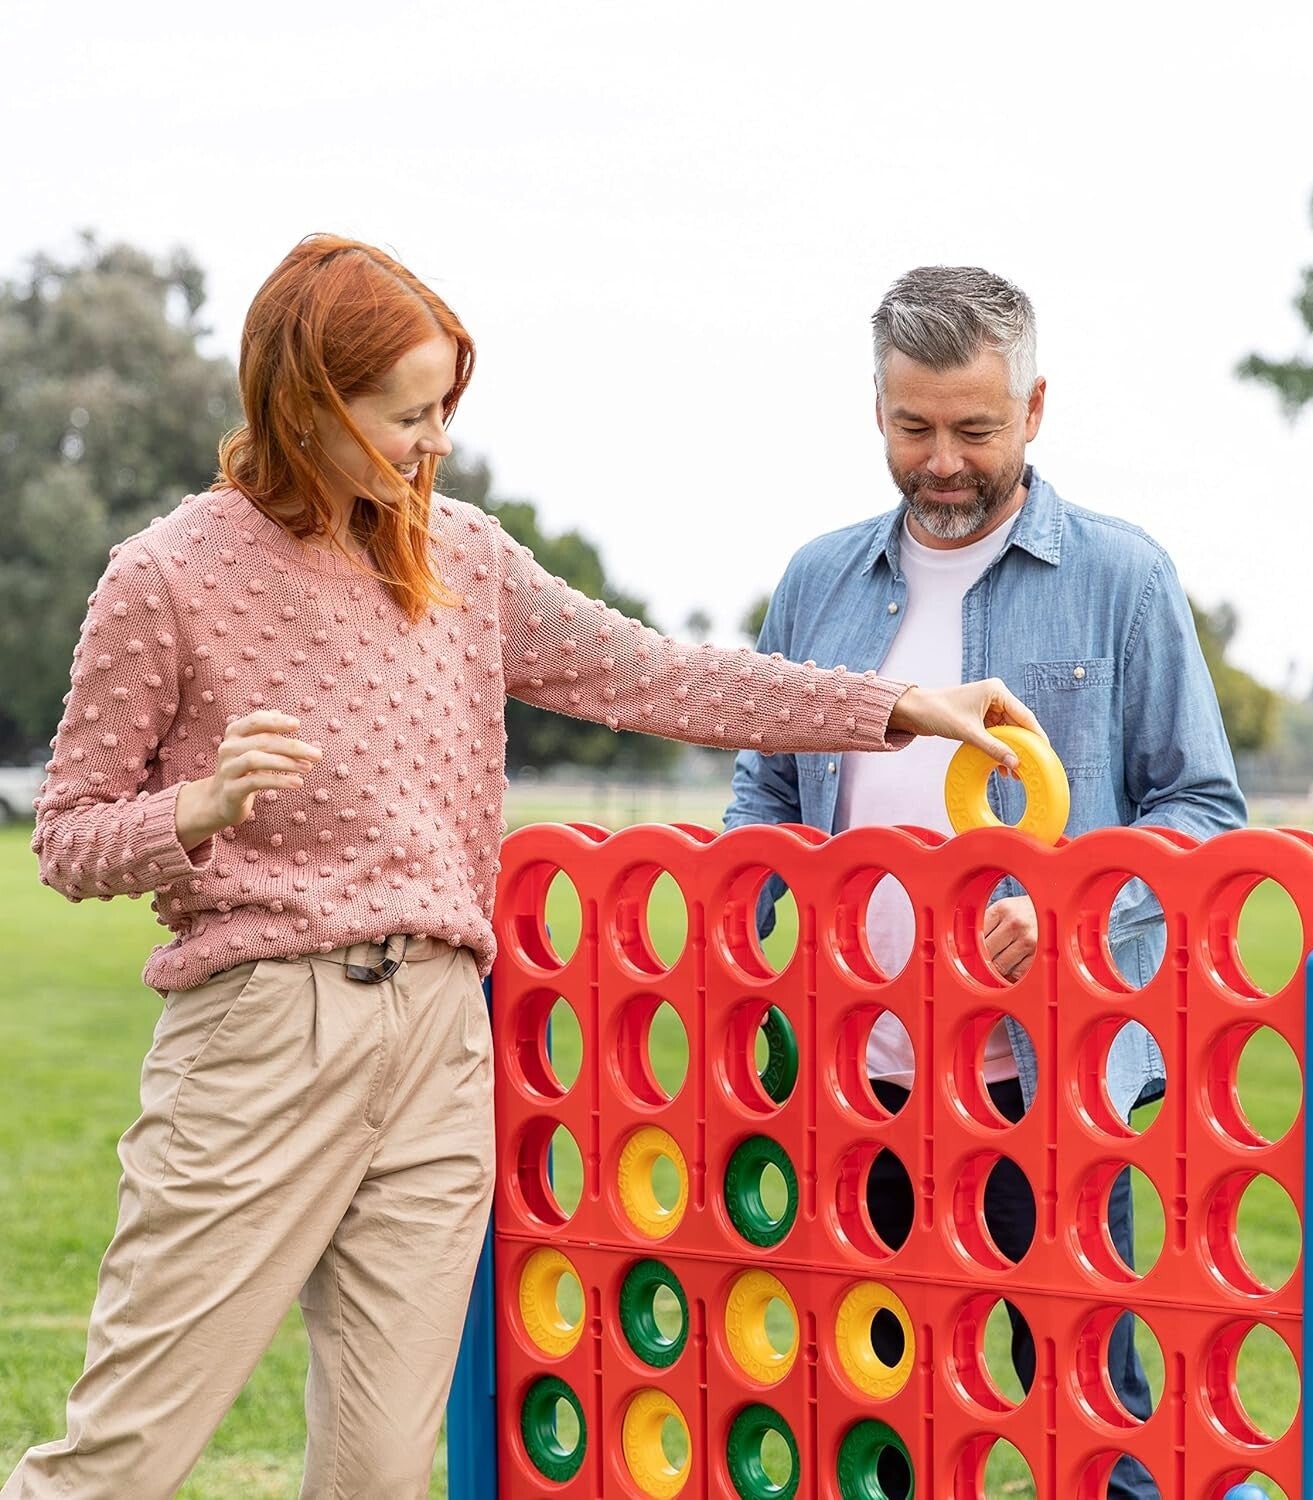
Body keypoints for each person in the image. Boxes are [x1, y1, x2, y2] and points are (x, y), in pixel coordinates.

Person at [6, 237, 1041, 1500]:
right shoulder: (165, 578)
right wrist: (199, 808)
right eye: (404, 414)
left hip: (443, 1039)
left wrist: (898, 707)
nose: (431, 441)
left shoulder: (465, 558)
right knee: (124, 1453)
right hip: (263, 1036)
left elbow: (669, 677)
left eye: (444, 407)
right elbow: (67, 834)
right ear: (305, 403)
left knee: (385, 1470)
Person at [724, 265, 1247, 1500]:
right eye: (914, 428)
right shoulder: (815, 582)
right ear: (878, 413)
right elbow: (764, 793)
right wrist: (752, 946)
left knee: (1091, 1413)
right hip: (861, 1080)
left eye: (973, 429)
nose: (941, 462)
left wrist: (1068, 903)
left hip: (1051, 1076)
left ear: (1035, 410)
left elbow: (1203, 808)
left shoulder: (1123, 578)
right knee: (869, 1412)